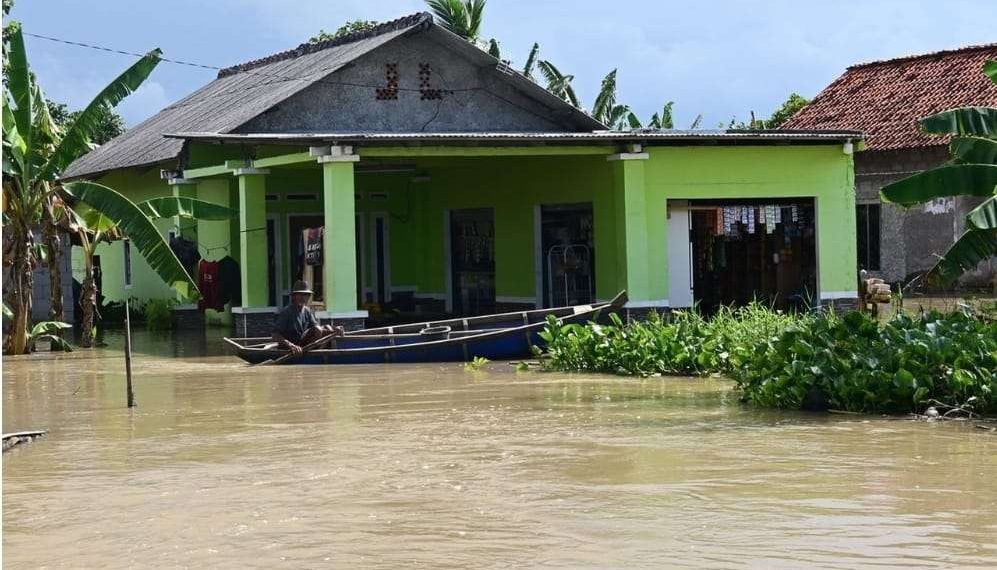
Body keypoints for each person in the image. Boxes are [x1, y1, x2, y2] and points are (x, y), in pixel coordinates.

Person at [272, 280, 344, 355]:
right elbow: (275, 335)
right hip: (292, 348)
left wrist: (335, 330)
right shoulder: (286, 312)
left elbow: (317, 328)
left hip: (304, 345)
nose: (303, 297)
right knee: (319, 329)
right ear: (294, 296)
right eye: (300, 294)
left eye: (306, 295)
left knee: (328, 327)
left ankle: (320, 353)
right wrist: (291, 346)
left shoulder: (307, 311)